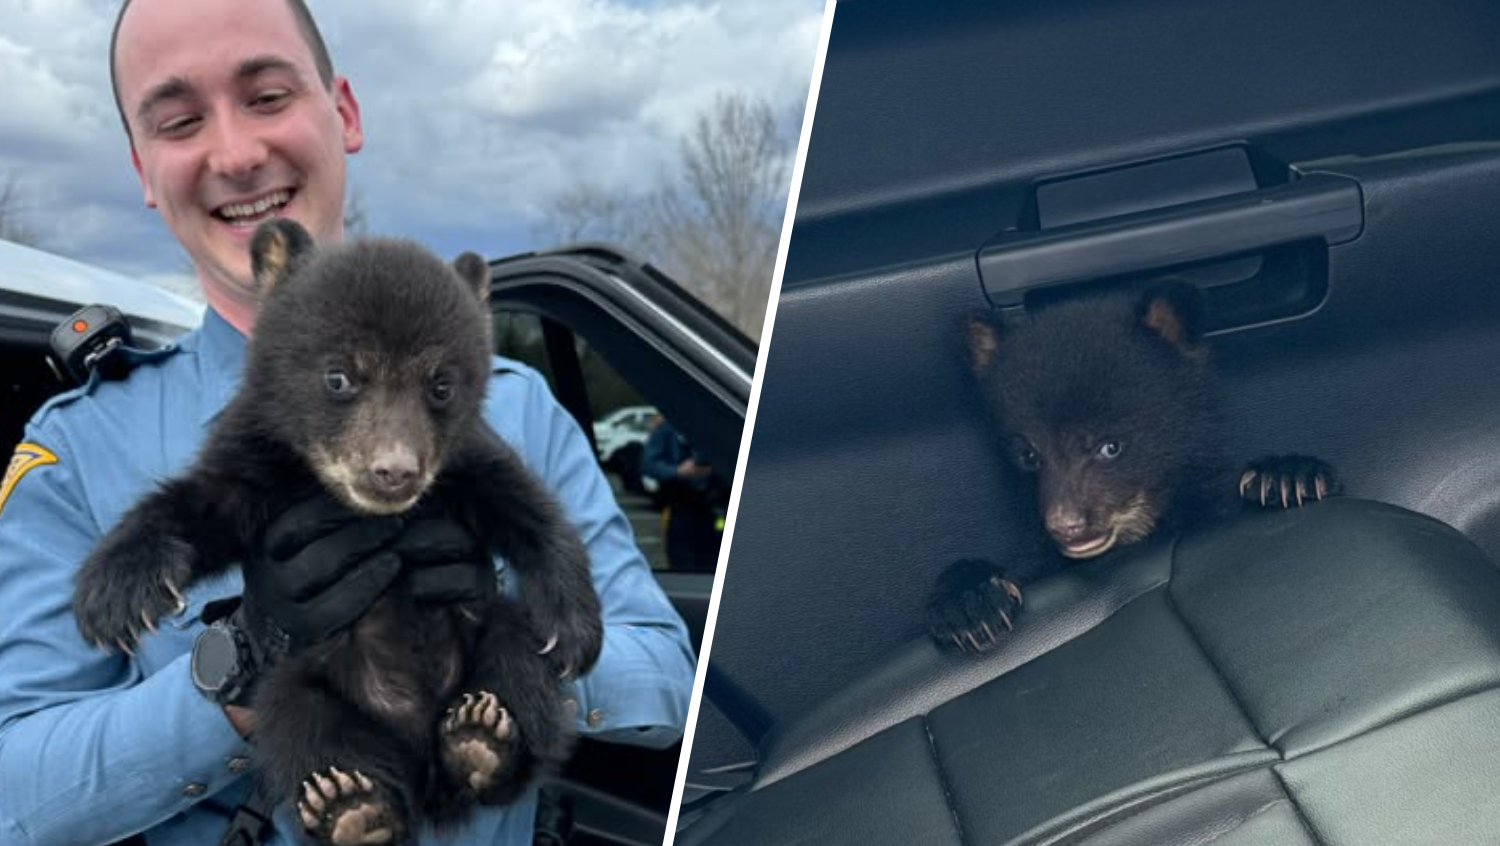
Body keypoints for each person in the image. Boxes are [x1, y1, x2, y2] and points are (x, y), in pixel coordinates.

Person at [0, 1, 696, 844]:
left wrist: (512, 658)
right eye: (181, 120)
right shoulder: (79, 449)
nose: (237, 153)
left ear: (345, 113)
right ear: (143, 170)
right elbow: (15, 796)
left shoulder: (513, 409)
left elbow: (663, 679)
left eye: (267, 94)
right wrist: (233, 677)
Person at [640, 415, 724, 572]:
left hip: (718, 512)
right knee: (682, 570)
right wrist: (678, 471)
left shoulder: (722, 422)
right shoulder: (669, 426)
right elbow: (648, 465)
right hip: (681, 510)